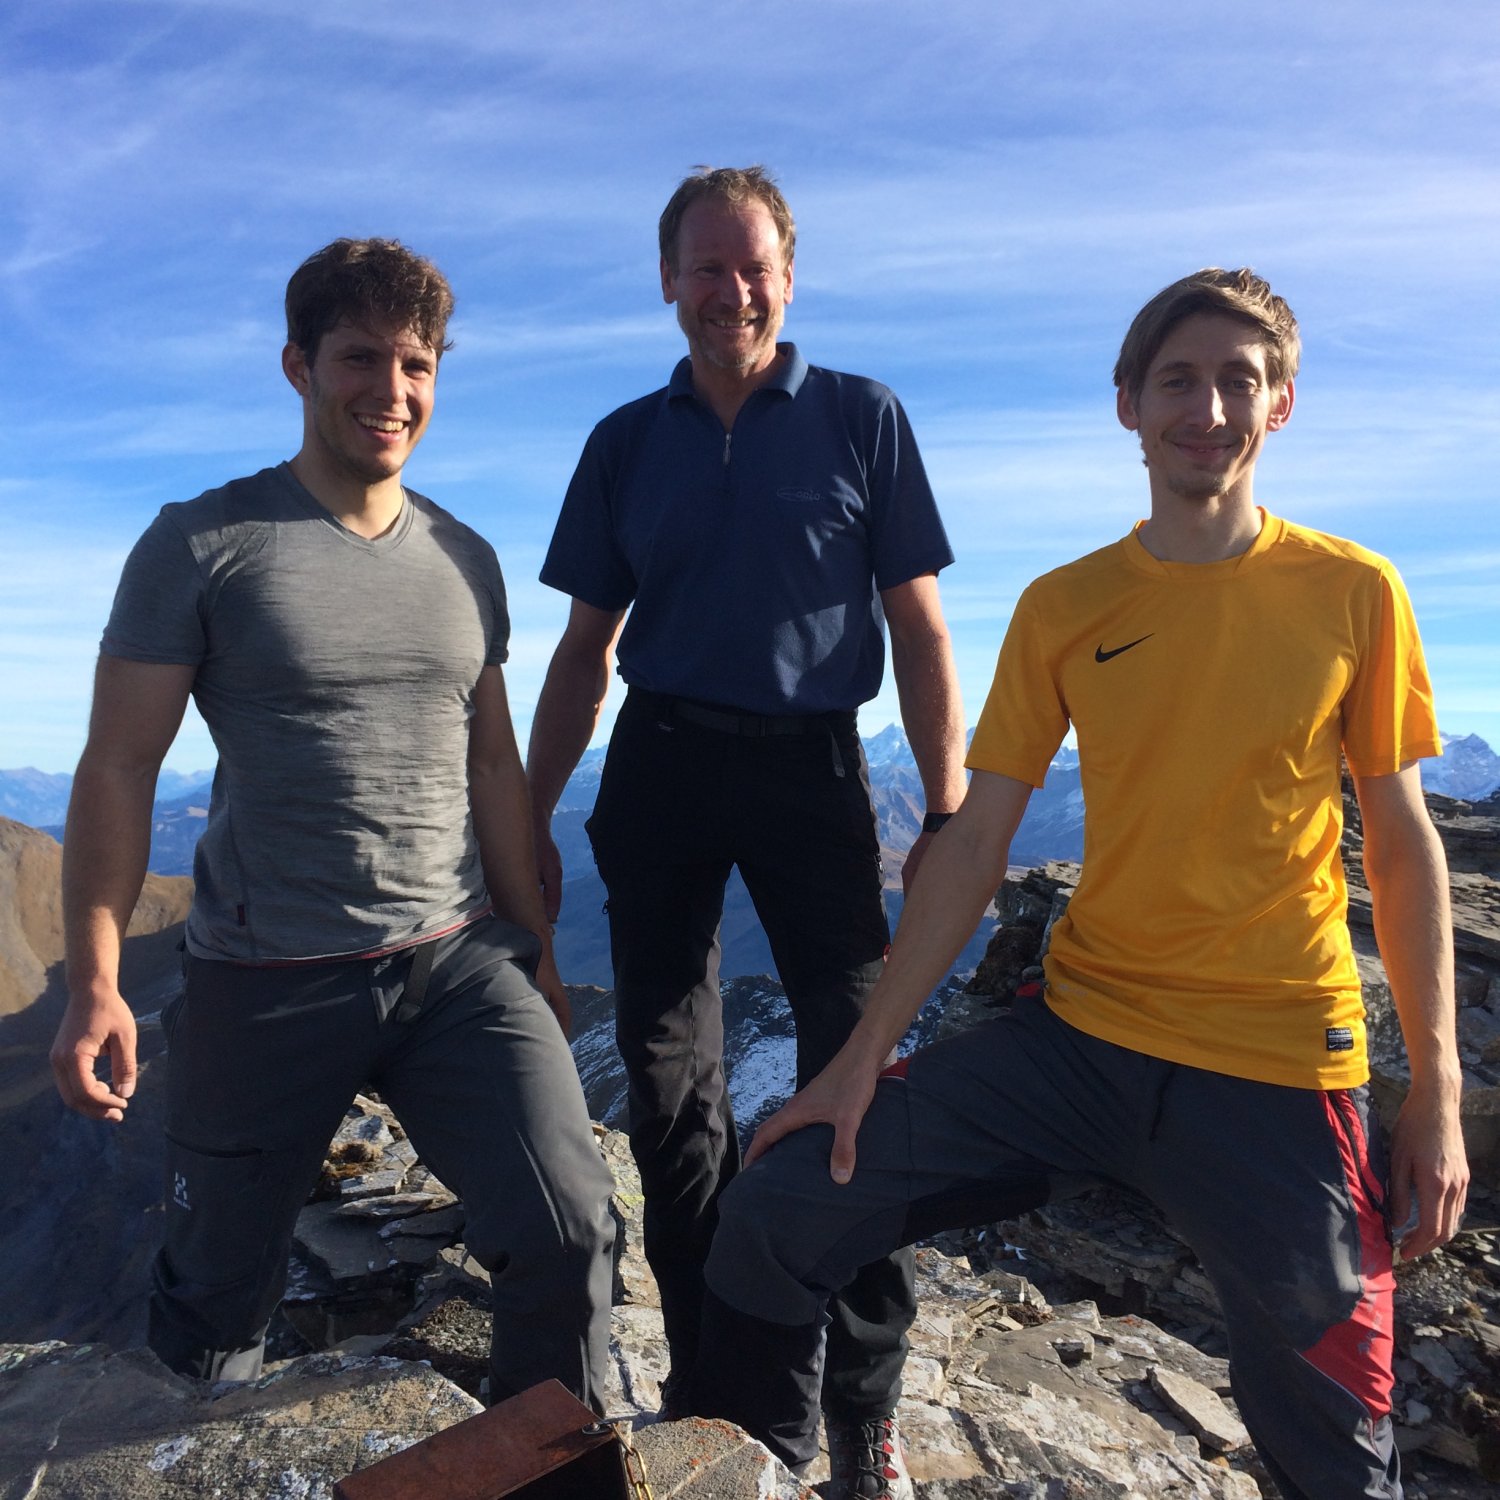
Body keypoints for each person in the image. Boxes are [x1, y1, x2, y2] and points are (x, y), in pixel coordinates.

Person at [690, 268, 1470, 1500]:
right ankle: (765, 1469)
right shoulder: (1066, 605)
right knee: (778, 1206)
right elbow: (974, 840)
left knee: (1341, 1446)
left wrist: (1435, 1090)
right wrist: (858, 1063)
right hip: (1078, 1043)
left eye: (1239, 382)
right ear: (1127, 403)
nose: (1207, 409)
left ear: (1281, 405)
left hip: (1276, 1067)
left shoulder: (1354, 593)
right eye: (1178, 380)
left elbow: (1402, 839)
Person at [49, 238, 616, 1409]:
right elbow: (118, 767)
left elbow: (494, 766)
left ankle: (547, 1467)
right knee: (214, 1306)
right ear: (298, 365)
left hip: (454, 964)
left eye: (417, 365)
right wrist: (96, 983)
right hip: (267, 980)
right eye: (361, 357)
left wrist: (538, 955)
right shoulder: (203, 543)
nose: (391, 390)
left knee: (570, 1228)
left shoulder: (465, 557)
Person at [526, 166, 966, 1494]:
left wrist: (946, 805)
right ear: (669, 281)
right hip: (658, 762)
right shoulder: (624, 441)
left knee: (857, 1073)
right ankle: (715, 1381)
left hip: (812, 773)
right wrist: (526, 816)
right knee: (672, 1091)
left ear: (789, 275)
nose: (732, 291)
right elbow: (583, 650)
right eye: (706, 267)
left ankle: (863, 1405)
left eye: (753, 266)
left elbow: (920, 628)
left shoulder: (860, 418)